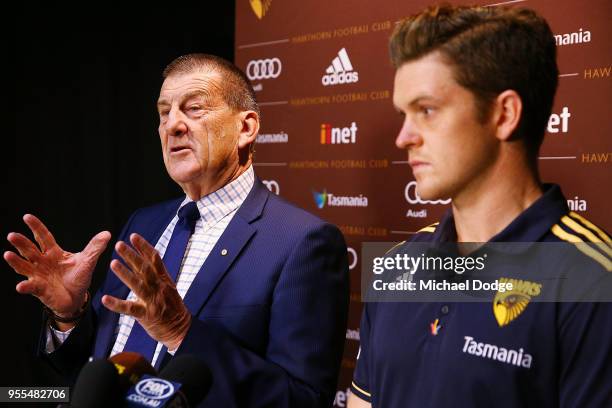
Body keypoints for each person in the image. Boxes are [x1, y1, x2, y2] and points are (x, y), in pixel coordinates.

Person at [5, 54, 349, 407]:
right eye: (164, 113)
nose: (173, 126)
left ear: (245, 128)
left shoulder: (301, 242)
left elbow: (303, 400)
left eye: (194, 108)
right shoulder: (144, 224)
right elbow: (96, 372)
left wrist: (181, 332)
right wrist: (69, 314)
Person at [348, 5, 611, 408]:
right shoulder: (397, 265)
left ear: (504, 114)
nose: (403, 138)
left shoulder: (593, 283)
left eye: (427, 110)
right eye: (404, 114)